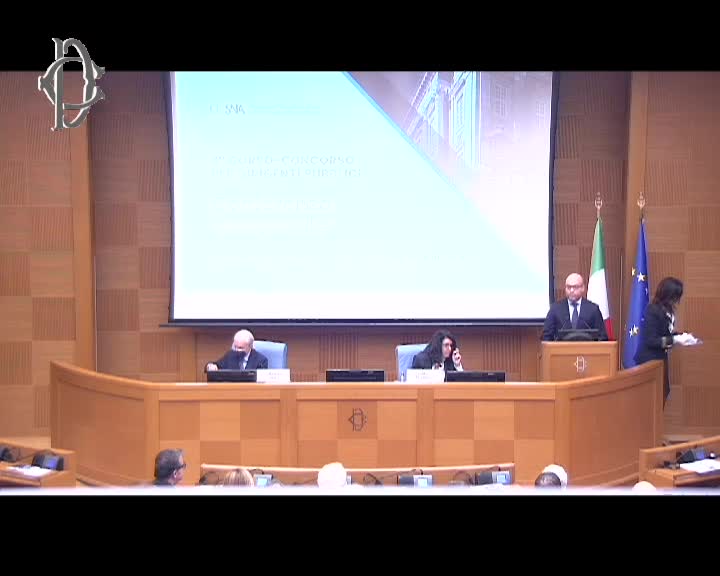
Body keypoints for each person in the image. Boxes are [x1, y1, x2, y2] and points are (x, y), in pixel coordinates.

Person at [634, 277, 698, 406]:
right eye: (675, 296)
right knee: (650, 401)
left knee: (660, 397)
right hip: (649, 362)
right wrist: (675, 339)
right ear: (667, 294)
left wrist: (682, 337)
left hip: (660, 361)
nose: (677, 300)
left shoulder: (667, 311)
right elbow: (651, 340)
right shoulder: (653, 310)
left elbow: (665, 335)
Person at [542, 273, 608, 341]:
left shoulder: (593, 309)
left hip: (586, 347)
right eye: (568, 287)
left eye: (575, 287)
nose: (571, 290)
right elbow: (546, 336)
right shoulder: (555, 309)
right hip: (562, 347)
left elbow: (602, 336)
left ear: (583, 288)